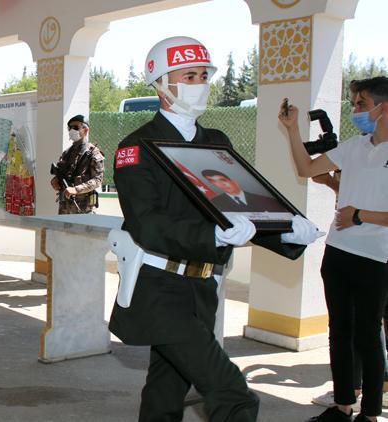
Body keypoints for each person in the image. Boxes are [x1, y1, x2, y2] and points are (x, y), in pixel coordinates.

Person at [109, 36, 318, 421]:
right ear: (161, 84)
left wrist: (284, 231)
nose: (200, 83)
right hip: (159, 289)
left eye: (204, 75)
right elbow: (147, 223)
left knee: (166, 388)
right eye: (189, 75)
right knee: (232, 395)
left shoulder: (216, 142)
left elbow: (239, 204)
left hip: (202, 286)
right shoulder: (135, 147)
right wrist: (213, 236)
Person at [279, 76, 388, 422]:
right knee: (340, 331)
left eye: (361, 104)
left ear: (384, 108)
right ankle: (342, 407)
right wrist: (292, 130)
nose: (355, 110)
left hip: (376, 258)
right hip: (338, 253)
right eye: (354, 103)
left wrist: (359, 215)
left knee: (368, 336)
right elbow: (306, 168)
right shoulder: (354, 147)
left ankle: (369, 415)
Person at [50, 115, 104, 214]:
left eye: (75, 127)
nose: (71, 130)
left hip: (84, 207)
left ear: (86, 130)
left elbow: (97, 180)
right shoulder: (66, 153)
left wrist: (76, 189)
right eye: (69, 128)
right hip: (65, 206)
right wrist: (55, 181)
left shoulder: (93, 153)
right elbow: (61, 173)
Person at [201, 169, 288, 212]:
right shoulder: (214, 203)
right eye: (214, 182)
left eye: (223, 180)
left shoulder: (265, 200)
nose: (221, 184)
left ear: (233, 181)